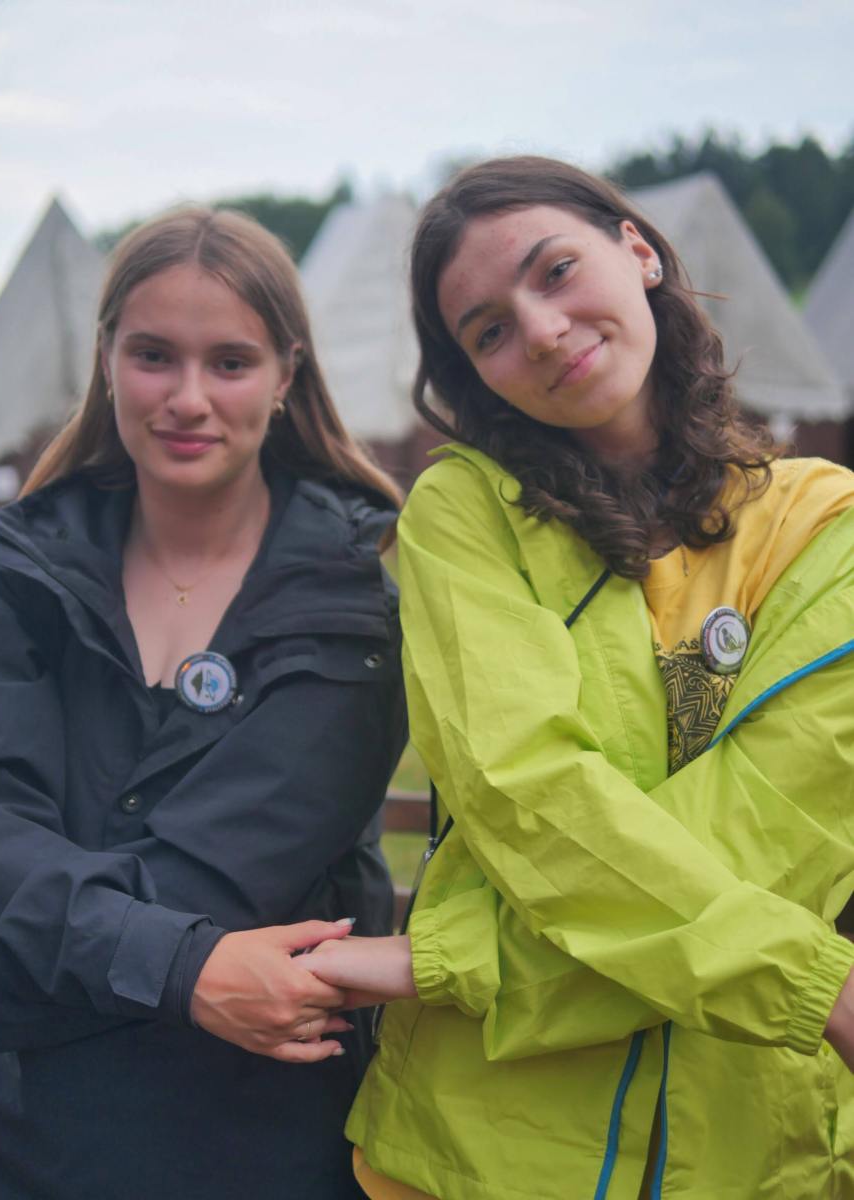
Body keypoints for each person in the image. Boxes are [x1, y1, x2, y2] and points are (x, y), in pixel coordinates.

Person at [302, 157, 854, 1200]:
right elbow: (529, 796)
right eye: (490, 332)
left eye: (555, 271)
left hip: (754, 1150)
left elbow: (780, 834)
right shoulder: (466, 513)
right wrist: (813, 984)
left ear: (637, 250)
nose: (544, 331)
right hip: (483, 1153)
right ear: (476, 376)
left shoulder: (827, 524)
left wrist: (455, 960)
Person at [0, 207, 407, 1199]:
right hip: (25, 1143)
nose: (188, 399)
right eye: (154, 355)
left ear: (286, 374)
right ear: (107, 358)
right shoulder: (17, 571)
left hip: (254, 1134)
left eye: (230, 363)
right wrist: (188, 970)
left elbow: (221, 876)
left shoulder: (347, 606)